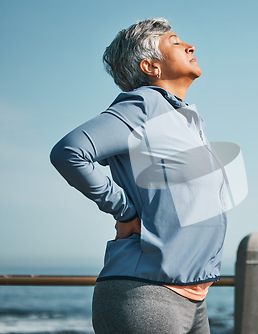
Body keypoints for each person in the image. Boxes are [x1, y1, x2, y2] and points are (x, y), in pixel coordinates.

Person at [50, 18, 229, 333]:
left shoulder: (184, 118)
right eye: (175, 42)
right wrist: (124, 210)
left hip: (193, 297)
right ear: (151, 67)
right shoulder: (144, 106)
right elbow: (70, 151)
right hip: (145, 293)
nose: (190, 46)